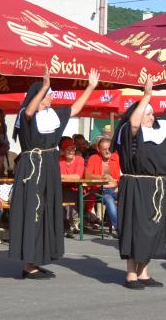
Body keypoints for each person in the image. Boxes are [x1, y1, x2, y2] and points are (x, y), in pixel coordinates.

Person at [9, 67, 99, 279]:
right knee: (33, 211)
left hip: (49, 167)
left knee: (46, 211)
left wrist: (90, 87)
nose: (51, 98)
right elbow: (30, 112)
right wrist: (44, 87)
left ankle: (36, 259)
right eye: (49, 95)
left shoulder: (52, 115)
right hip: (33, 167)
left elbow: (74, 109)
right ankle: (28, 265)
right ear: (39, 96)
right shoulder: (25, 114)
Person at [113, 76, 166, 289]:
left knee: (152, 229)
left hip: (156, 187)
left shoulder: (157, 132)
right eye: (148, 113)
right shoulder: (129, 132)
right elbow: (134, 124)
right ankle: (131, 274)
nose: (152, 117)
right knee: (135, 229)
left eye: (153, 113)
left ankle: (143, 272)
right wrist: (147, 96)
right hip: (136, 186)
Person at [84, 136, 121, 234]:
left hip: (117, 189)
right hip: (101, 190)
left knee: (130, 198)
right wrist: (101, 177)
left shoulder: (116, 157)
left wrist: (119, 186)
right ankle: (120, 229)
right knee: (109, 200)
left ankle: (132, 226)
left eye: (109, 149)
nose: (107, 151)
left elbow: (123, 175)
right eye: (104, 149)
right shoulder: (94, 158)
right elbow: (87, 175)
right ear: (98, 149)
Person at [58, 137, 85, 239]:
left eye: (72, 149)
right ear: (63, 151)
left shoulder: (79, 159)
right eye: (68, 149)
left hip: (75, 188)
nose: (71, 151)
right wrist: (66, 177)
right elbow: (56, 175)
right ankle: (69, 224)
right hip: (60, 187)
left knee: (68, 194)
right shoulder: (59, 160)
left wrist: (62, 176)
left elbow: (77, 177)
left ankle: (70, 224)